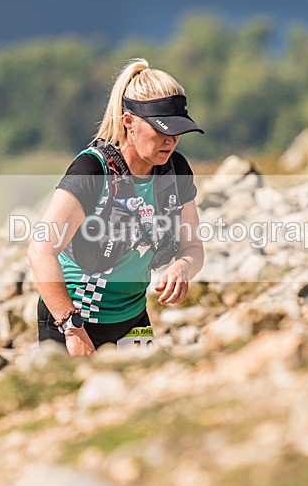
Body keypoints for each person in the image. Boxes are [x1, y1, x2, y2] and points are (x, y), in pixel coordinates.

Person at [27, 58, 205, 356]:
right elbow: (40, 251)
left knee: (143, 399)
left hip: (133, 318)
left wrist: (182, 267)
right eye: (161, 129)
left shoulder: (175, 171)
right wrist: (72, 329)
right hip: (73, 318)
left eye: (178, 130)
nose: (171, 140)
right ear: (128, 122)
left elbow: (193, 247)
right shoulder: (92, 170)